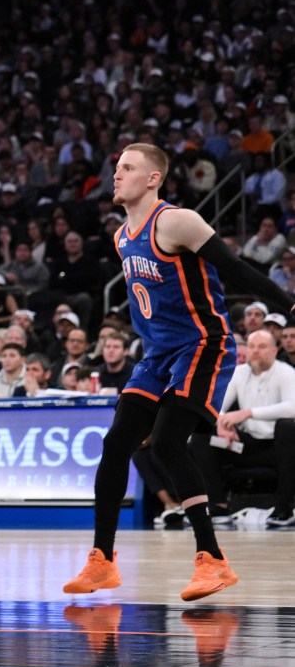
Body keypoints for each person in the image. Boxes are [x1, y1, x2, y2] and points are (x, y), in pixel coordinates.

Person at [63, 143, 294, 602]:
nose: (117, 174)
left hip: (204, 346)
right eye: (117, 167)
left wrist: (289, 304)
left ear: (153, 178)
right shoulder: (121, 235)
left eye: (127, 168)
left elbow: (235, 270)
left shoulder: (176, 221)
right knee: (115, 445)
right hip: (157, 355)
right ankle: (102, 561)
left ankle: (212, 560)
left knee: (169, 441)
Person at [188, 330, 295, 527]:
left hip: (279, 448)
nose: (255, 351)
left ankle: (285, 508)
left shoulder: (286, 373)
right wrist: (221, 423)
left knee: (286, 426)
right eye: (252, 346)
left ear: (274, 350)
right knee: (203, 434)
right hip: (243, 446)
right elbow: (215, 407)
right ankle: (218, 505)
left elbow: (292, 408)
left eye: (262, 347)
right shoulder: (238, 372)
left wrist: (247, 413)